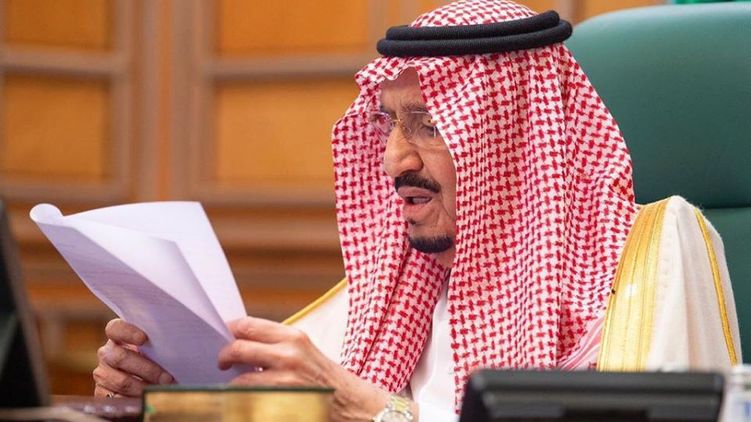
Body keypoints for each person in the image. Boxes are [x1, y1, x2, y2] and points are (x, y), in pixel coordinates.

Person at [92, 1, 742, 421]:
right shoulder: (383, 294)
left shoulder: (650, 256)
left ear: (513, 137)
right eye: (388, 124)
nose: (393, 161)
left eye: (429, 125)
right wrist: (166, 399)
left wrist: (370, 411)